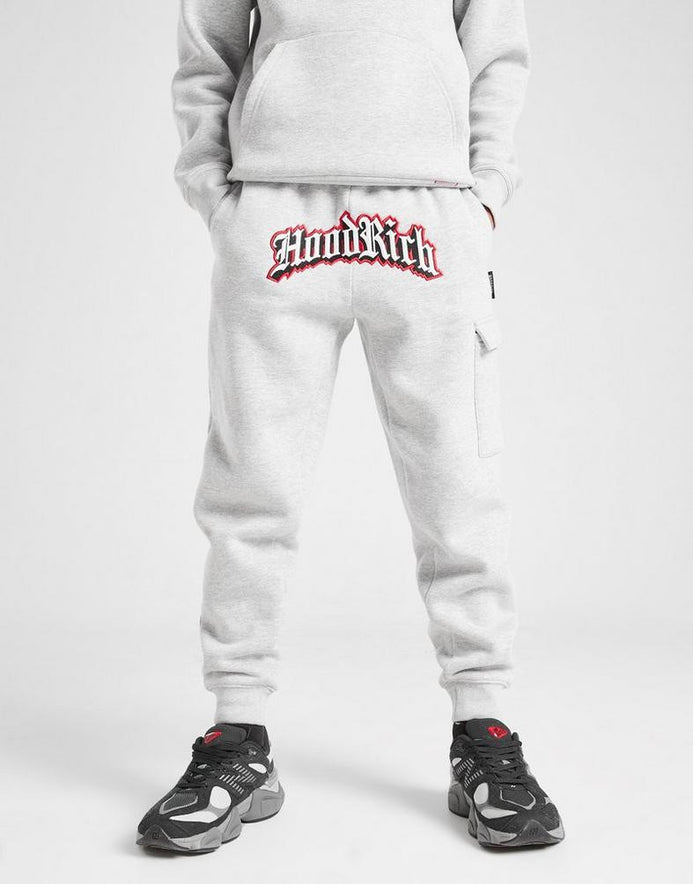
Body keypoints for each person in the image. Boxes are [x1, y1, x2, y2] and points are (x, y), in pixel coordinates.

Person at [137, 0, 564, 852]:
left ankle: (481, 727)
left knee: (457, 487)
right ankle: (238, 731)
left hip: (431, 214)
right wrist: (217, 196)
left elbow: (496, 52)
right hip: (273, 213)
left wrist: (483, 194)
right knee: (251, 484)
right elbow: (206, 50)